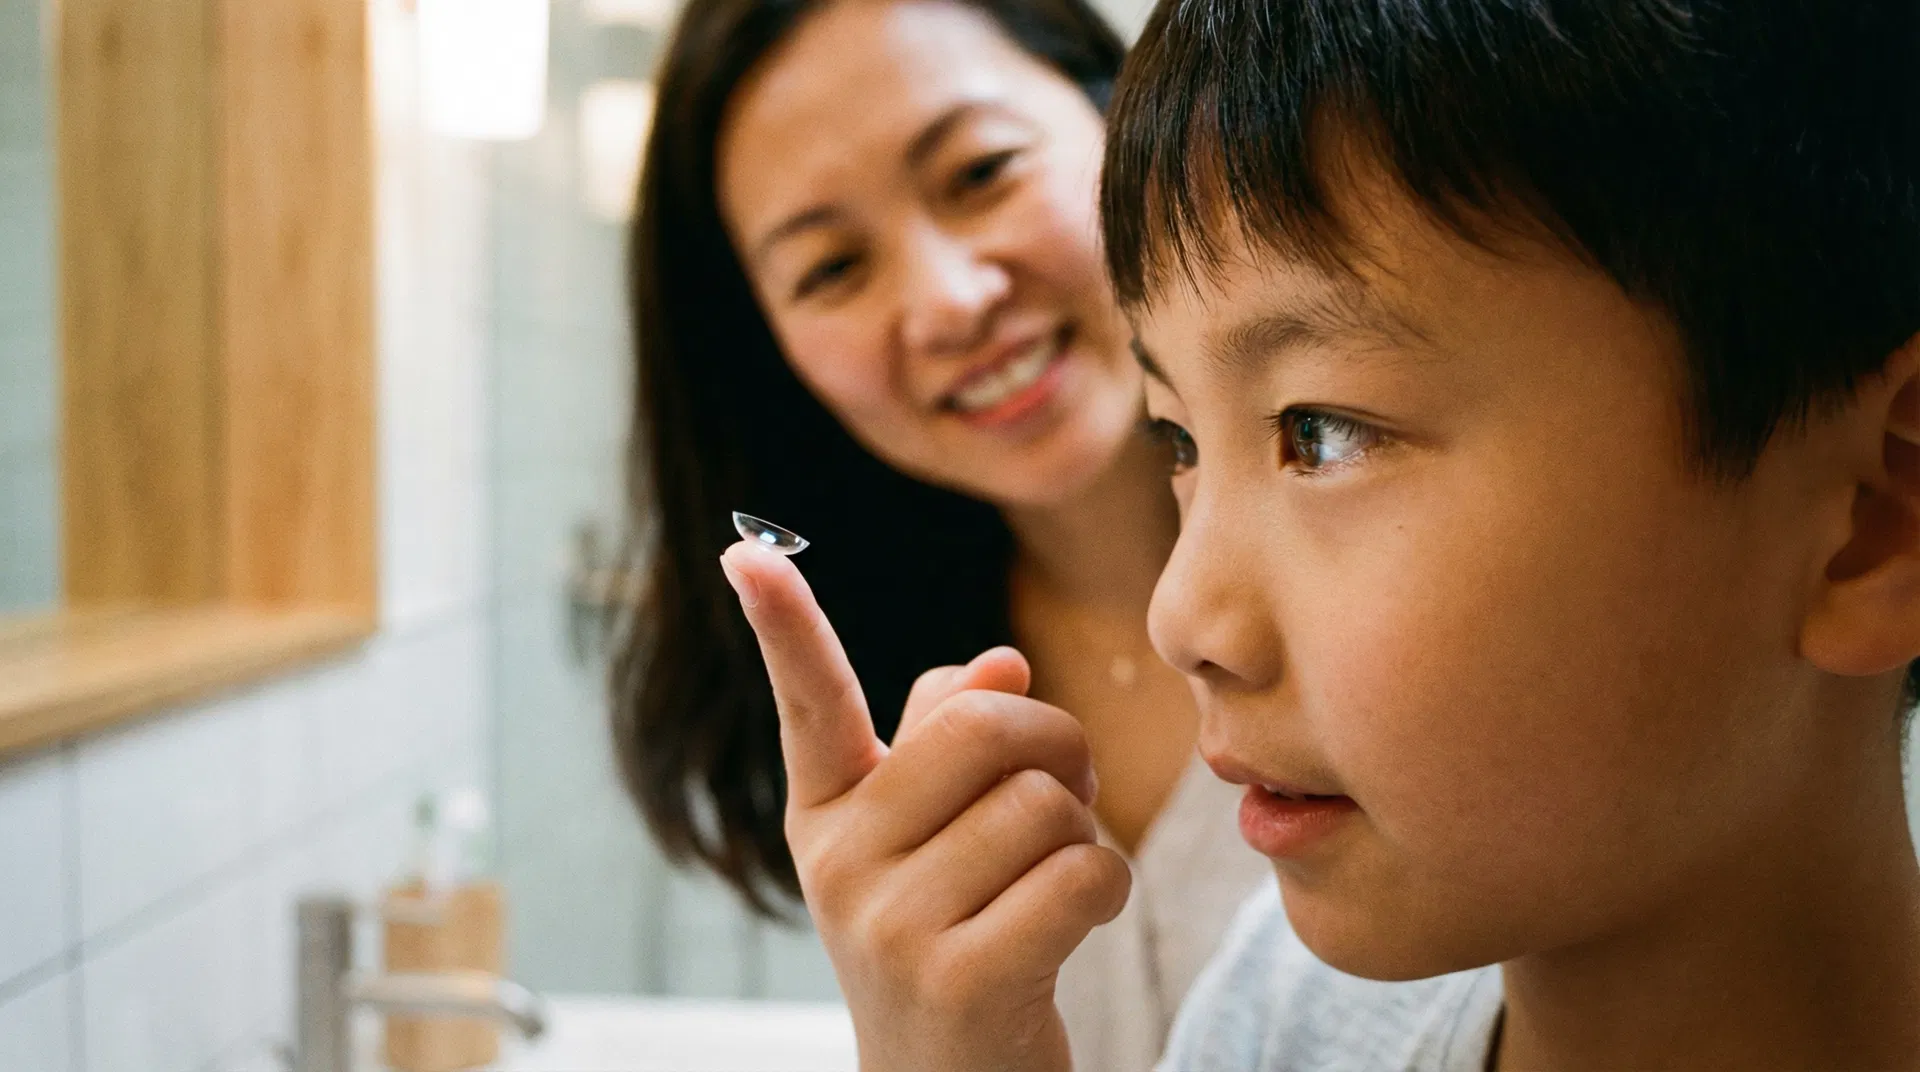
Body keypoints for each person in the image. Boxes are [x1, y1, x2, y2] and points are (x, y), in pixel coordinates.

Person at [718, 0, 1920, 1069]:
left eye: (1323, 432)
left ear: (1873, 518)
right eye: (1179, 438)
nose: (1182, 617)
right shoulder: (1278, 1013)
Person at [610, 0, 1269, 1065]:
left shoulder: (1414, 586)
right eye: (831, 269)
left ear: (1125, 121)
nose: (950, 301)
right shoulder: (879, 718)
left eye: (979, 173)